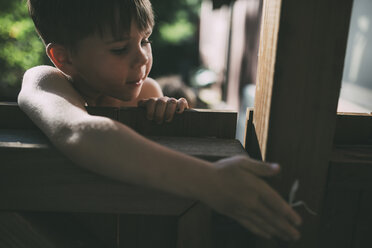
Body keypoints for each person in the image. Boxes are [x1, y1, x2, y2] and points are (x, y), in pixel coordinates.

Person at [19, 0, 302, 241]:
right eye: (119, 49)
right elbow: (77, 131)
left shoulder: (148, 93)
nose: (142, 58)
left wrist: (171, 116)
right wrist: (211, 181)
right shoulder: (45, 82)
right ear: (64, 57)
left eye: (145, 40)